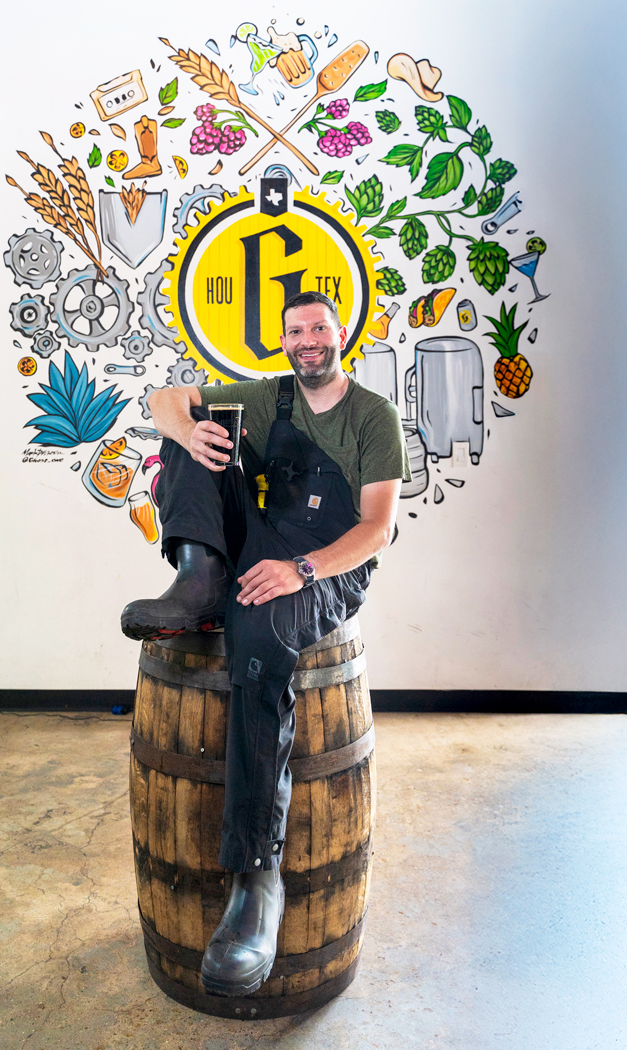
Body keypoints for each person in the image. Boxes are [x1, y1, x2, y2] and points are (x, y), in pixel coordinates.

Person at [122, 290, 410, 998]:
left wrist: (301, 570)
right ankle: (199, 579)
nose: (308, 339)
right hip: (260, 540)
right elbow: (165, 398)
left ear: (340, 333)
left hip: (328, 561)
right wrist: (188, 432)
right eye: (295, 330)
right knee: (191, 430)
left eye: (319, 328)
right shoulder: (269, 395)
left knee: (257, 643)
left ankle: (256, 879)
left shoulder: (372, 415)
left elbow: (377, 528)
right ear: (283, 341)